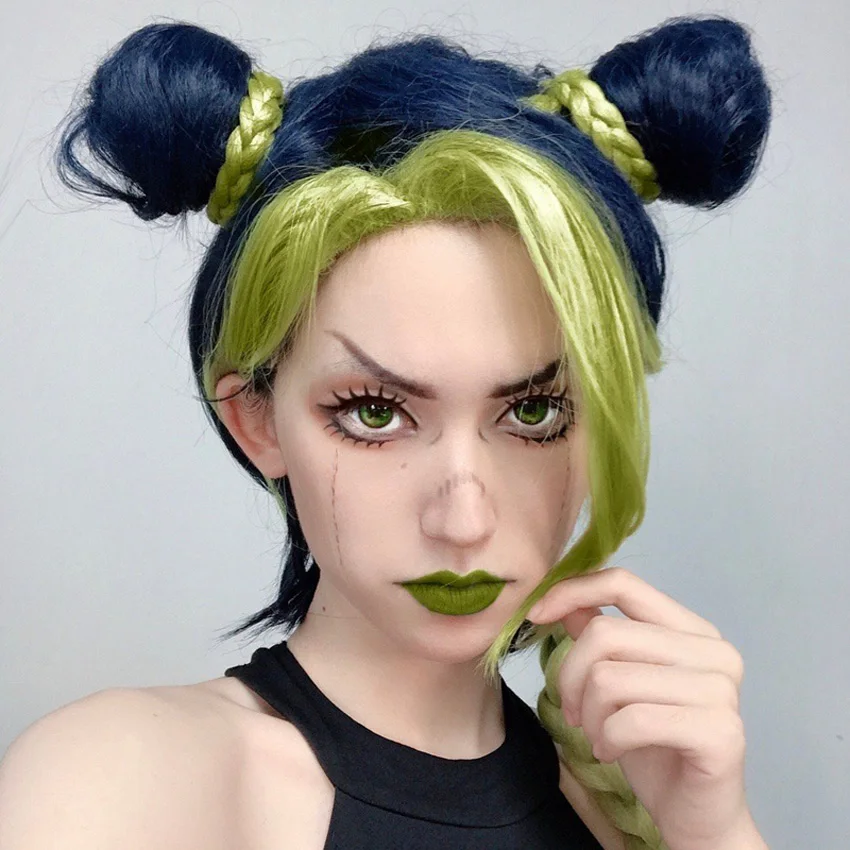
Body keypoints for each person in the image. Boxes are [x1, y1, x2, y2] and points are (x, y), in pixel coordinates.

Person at [0, 14, 772, 850]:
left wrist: (714, 832)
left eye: (534, 412)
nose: (464, 520)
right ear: (255, 419)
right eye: (375, 413)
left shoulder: (635, 803)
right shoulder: (123, 787)